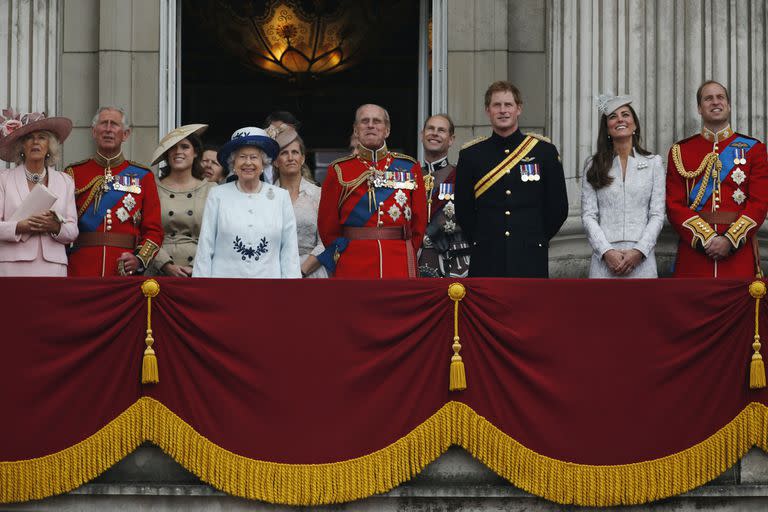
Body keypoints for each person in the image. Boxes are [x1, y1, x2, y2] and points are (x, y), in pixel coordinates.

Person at [455, 81, 568, 277]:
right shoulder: (471, 154)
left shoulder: (544, 152)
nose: (503, 110)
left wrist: (535, 237)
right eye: (496, 105)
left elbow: (558, 207)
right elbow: (464, 209)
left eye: (508, 105)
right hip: (487, 254)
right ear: (487, 110)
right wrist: (483, 238)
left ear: (519, 109)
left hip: (530, 253)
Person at [666, 80, 768, 278]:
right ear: (699, 108)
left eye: (720, 97)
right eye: (708, 98)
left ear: (728, 105)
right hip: (695, 256)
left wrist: (730, 240)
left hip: (737, 254)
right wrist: (707, 238)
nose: (715, 102)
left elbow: (759, 203)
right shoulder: (681, 151)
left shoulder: (754, 149)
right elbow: (673, 205)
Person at [317, 104, 427, 278]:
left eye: (377, 121)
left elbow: (419, 221)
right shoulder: (339, 169)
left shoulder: (409, 167)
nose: (370, 125)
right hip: (353, 263)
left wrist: (407, 251)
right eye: (364, 121)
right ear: (356, 130)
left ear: (387, 130)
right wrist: (343, 254)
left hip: (398, 261)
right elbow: (327, 227)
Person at [65, 106, 163, 276]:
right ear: (94, 132)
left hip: (123, 270)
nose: (108, 129)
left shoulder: (143, 176)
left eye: (114, 125)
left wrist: (139, 259)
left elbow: (154, 230)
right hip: (81, 268)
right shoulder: (73, 173)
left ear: (125, 134)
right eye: (104, 124)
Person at [193, 126, 300, 278]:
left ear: (264, 163)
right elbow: (205, 245)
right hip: (224, 286)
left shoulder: (281, 197)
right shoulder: (217, 195)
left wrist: (291, 290)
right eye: (242, 157)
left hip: (268, 287)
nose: (248, 163)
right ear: (233, 163)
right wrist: (201, 290)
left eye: (254, 157)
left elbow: (289, 250)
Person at [581, 94, 666, 278]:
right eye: (613, 116)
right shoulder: (593, 164)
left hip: (642, 260)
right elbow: (588, 215)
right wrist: (606, 252)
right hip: (604, 261)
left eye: (625, 114)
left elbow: (657, 214)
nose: (620, 119)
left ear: (634, 124)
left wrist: (639, 251)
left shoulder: (654, 163)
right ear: (607, 128)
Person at [0, 111, 78, 276]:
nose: (35, 142)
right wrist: (22, 226)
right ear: (21, 146)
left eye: (42, 137)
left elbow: (72, 230)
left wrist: (55, 227)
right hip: (13, 266)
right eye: (29, 137)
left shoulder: (65, 181)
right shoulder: (4, 180)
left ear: (50, 146)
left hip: (53, 267)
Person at [148, 124, 216, 277]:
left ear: (196, 153)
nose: (178, 152)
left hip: (199, 271)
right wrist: (165, 264)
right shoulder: (151, 187)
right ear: (167, 154)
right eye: (173, 147)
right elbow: (144, 232)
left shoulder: (212, 189)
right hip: (158, 270)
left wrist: (195, 266)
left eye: (185, 147)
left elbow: (217, 234)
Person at [418, 113, 471, 277]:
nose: (434, 133)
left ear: (451, 139)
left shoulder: (462, 176)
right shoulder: (410, 176)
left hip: (452, 262)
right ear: (422, 135)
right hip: (416, 261)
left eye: (441, 130)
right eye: (430, 129)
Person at [273, 126, 328, 278]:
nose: (290, 158)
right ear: (276, 161)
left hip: (310, 272)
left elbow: (325, 241)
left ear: (302, 159)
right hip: (274, 271)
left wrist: (301, 271)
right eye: (284, 153)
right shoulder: (266, 196)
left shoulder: (318, 194)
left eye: (295, 152)